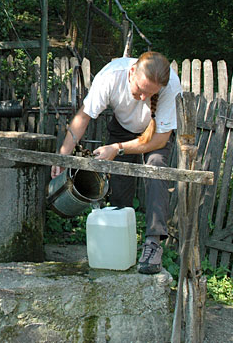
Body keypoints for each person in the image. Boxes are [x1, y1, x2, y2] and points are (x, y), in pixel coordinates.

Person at [51, 51, 182, 274]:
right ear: (131, 73)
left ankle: (153, 244)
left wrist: (118, 148)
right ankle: (120, 243)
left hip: (155, 135)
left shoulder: (170, 85)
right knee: (119, 188)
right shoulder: (111, 76)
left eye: (150, 94)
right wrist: (63, 155)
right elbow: (84, 116)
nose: (143, 98)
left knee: (156, 170)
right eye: (140, 90)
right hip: (122, 129)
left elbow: (160, 139)